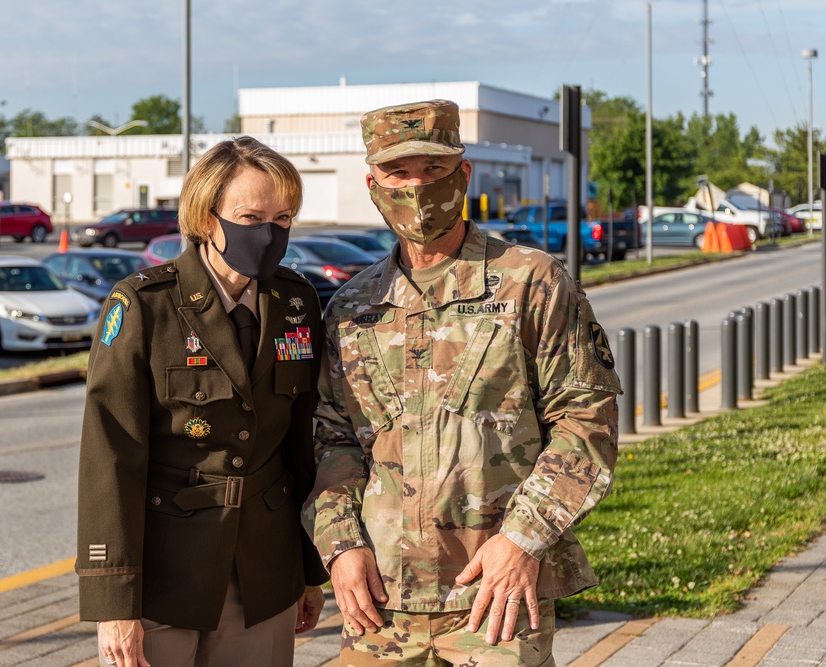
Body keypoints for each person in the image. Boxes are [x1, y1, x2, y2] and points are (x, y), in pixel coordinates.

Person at [304, 100, 621, 666]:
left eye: (433, 170)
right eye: (398, 173)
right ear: (372, 183)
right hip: (379, 602)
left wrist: (523, 540)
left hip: (494, 595)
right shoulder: (353, 306)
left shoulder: (531, 283)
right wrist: (341, 545)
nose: (417, 189)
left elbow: (585, 420)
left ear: (464, 173)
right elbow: (332, 440)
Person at [77, 136, 327, 667]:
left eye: (283, 218)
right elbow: (110, 456)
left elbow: (304, 445)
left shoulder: (297, 301)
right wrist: (114, 603)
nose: (269, 232)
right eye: (250, 215)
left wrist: (309, 569)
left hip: (264, 570)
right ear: (206, 217)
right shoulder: (145, 305)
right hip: (167, 573)